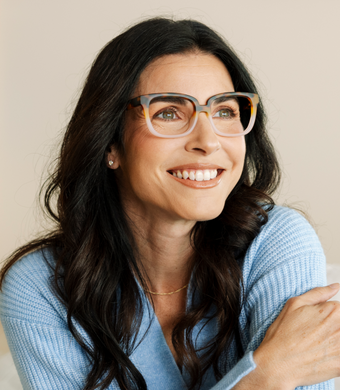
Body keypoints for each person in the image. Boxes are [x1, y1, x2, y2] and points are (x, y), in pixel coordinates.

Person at [0, 17, 340, 390]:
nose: (208, 141)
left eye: (225, 111)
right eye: (168, 113)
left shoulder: (279, 242)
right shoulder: (38, 288)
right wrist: (265, 376)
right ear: (110, 143)